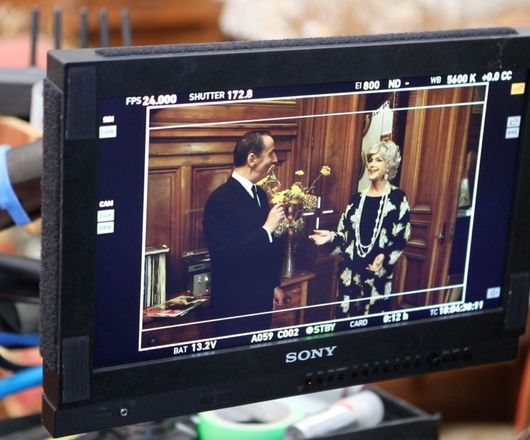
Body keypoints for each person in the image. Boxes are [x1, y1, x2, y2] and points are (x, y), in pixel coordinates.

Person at [309, 140, 411, 316]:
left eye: (378, 160)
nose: (371, 164)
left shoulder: (398, 198)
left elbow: (401, 238)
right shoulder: (356, 200)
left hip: (377, 279)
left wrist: (384, 257)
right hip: (350, 276)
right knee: (345, 326)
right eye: (370, 160)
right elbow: (345, 236)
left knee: (371, 327)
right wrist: (331, 237)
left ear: (389, 165)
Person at [203, 130, 286, 335]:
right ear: (252, 159)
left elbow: (265, 250)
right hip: (234, 305)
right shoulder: (220, 200)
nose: (275, 159)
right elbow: (226, 255)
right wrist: (267, 229)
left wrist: (273, 285)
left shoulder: (260, 194)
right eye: (271, 153)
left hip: (260, 299)